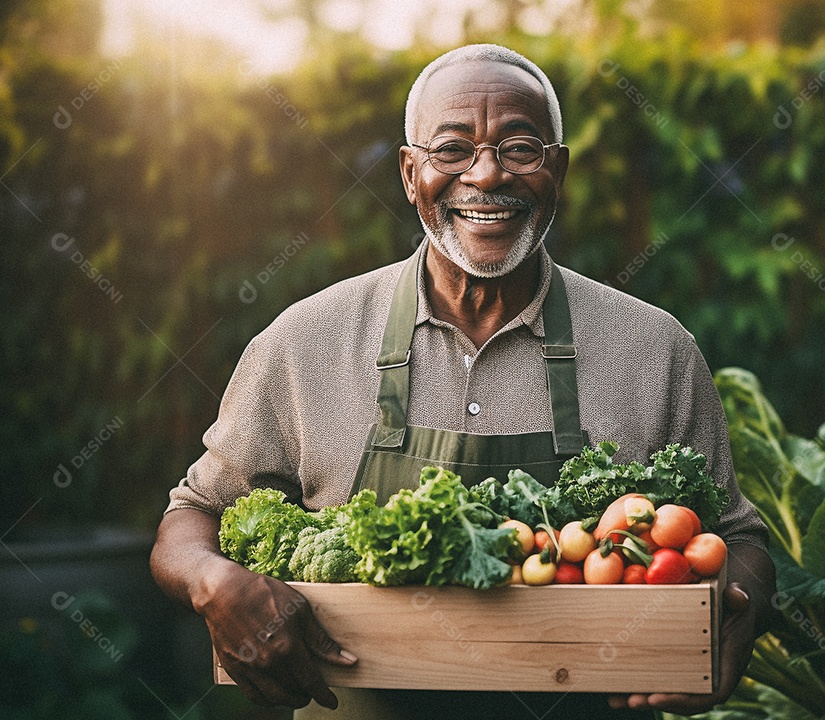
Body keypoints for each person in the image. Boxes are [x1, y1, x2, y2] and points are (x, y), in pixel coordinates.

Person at [150, 43, 775, 720]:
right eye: (452, 149)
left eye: (520, 147)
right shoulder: (305, 342)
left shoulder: (654, 349)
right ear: (410, 172)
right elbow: (192, 516)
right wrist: (211, 579)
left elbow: (740, 538)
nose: (486, 175)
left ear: (556, 169)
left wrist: (737, 617)